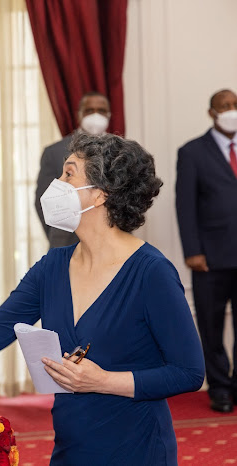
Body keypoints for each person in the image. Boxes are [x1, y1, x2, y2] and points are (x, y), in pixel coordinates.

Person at [0, 133, 205, 464]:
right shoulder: (53, 265)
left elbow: (188, 372)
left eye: (69, 174)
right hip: (71, 447)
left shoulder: (151, 271)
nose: (56, 183)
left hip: (136, 447)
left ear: (100, 194)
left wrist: (102, 381)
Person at [175, 88, 237, 413]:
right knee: (211, 327)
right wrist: (192, 251)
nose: (231, 110)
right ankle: (220, 389)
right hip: (209, 259)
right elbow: (185, 206)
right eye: (224, 106)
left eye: (235, 104)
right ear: (211, 113)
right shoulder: (192, 152)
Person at [35, 91, 111, 249]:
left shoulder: (123, 152)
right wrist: (58, 233)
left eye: (101, 111)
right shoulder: (54, 152)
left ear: (109, 115)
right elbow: (43, 200)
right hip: (66, 244)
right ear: (79, 115)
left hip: (112, 243)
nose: (95, 115)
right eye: (89, 110)